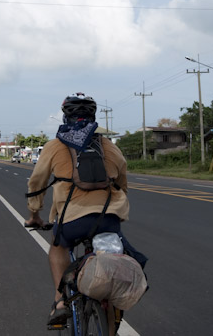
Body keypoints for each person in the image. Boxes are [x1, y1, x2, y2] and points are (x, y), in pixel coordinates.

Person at [24, 93, 133, 327]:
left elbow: (37, 184)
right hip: (109, 218)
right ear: (94, 117)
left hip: (72, 219)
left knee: (58, 247)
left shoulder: (55, 145)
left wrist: (35, 214)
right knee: (113, 259)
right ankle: (112, 311)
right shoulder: (109, 147)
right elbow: (122, 183)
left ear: (65, 116)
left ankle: (60, 301)